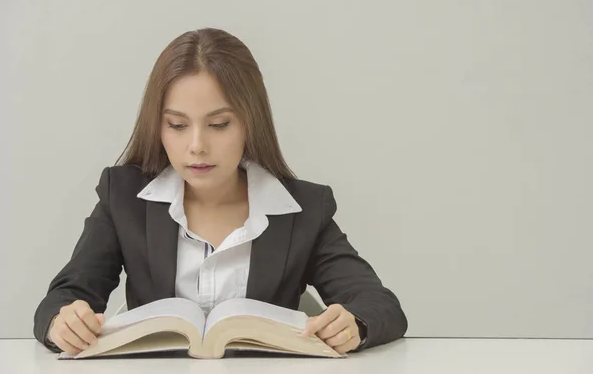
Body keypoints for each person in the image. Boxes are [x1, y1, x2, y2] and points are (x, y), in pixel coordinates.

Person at [33, 28, 408, 356]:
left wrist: (354, 325)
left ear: (250, 122)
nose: (196, 145)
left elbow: (381, 306)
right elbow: (62, 298)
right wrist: (62, 322)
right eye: (177, 125)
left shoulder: (303, 210)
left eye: (218, 124)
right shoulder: (125, 198)